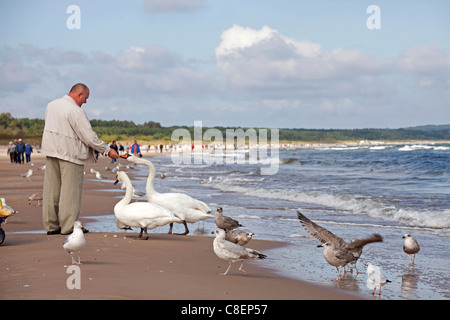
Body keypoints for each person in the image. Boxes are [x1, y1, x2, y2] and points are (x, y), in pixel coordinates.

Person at [41, 83, 119, 235]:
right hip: (71, 154)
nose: (86, 102)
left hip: (51, 152)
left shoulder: (51, 105)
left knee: (51, 191)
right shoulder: (75, 111)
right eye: (86, 98)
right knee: (70, 193)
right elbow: (89, 137)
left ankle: (51, 226)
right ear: (79, 95)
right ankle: (68, 227)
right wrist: (107, 150)